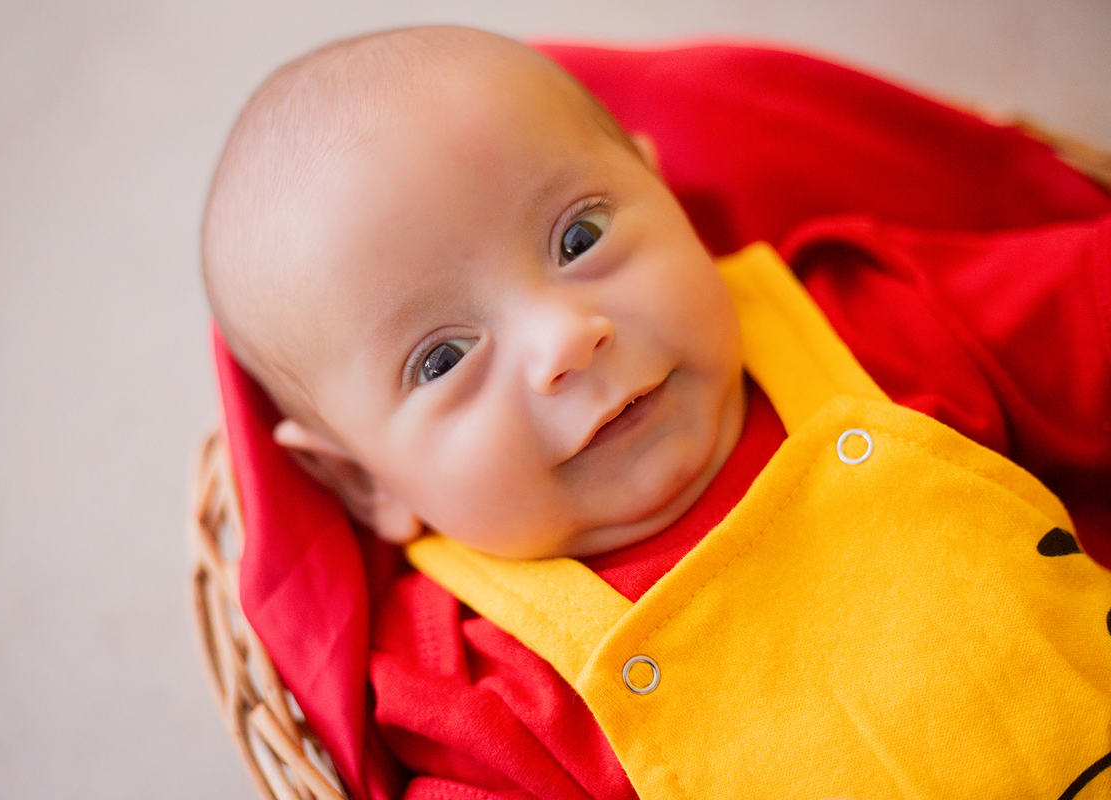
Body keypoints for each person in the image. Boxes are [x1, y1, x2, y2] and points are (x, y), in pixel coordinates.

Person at [202, 25, 1111, 800]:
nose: (566, 339)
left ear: (667, 195)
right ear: (366, 480)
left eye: (580, 237)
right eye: (443, 358)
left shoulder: (873, 324)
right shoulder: (470, 685)